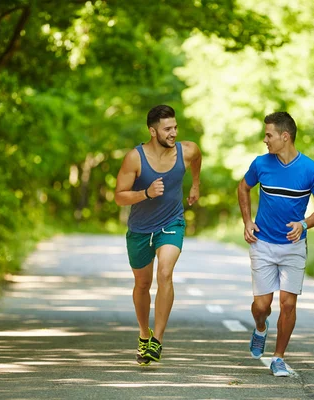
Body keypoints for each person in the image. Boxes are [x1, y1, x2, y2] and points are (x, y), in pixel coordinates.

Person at [237, 111, 314, 377]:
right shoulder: (261, 164)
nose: (265, 139)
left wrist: (303, 224)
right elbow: (242, 188)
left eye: (269, 135)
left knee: (288, 304)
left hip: (293, 246)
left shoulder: (311, 169)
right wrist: (247, 221)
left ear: (285, 136)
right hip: (263, 242)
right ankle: (260, 327)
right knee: (262, 306)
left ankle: (278, 357)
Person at [115, 104, 202, 366]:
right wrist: (146, 193)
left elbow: (197, 160)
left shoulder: (187, 150)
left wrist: (195, 184)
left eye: (175, 127)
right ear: (153, 131)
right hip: (140, 229)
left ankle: (158, 340)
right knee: (142, 284)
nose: (173, 133)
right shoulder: (135, 158)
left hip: (171, 222)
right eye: (167, 129)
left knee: (165, 273)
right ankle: (144, 334)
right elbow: (119, 196)